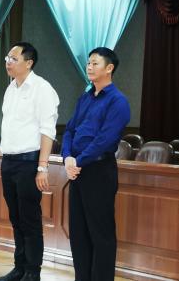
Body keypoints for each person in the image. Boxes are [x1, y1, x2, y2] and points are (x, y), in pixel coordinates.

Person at [61, 47, 131, 281]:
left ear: (109, 68)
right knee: (78, 232)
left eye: (95, 63)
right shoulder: (85, 97)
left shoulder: (118, 101)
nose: (89, 67)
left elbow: (105, 140)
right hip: (77, 171)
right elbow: (69, 130)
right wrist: (67, 157)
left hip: (99, 171)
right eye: (88, 63)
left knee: (101, 234)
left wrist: (78, 161)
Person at [0, 42, 59, 281]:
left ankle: (33, 271)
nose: (8, 62)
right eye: (7, 58)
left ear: (29, 62)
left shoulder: (42, 89)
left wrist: (42, 167)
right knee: (16, 218)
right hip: (9, 162)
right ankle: (19, 267)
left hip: (29, 163)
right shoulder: (11, 88)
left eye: (13, 59)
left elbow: (47, 130)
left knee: (29, 219)